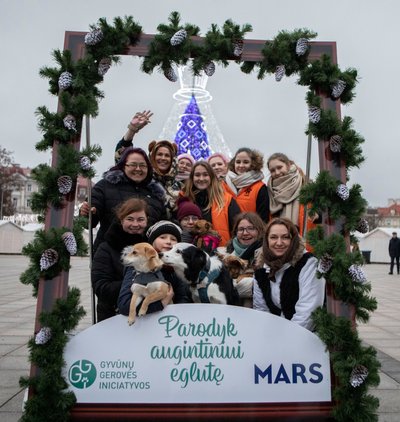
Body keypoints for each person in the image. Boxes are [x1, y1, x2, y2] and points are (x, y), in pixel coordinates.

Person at [80, 146, 166, 252]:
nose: (138, 169)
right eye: (133, 165)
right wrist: (87, 212)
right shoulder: (106, 185)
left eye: (142, 165)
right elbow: (88, 220)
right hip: (109, 254)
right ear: (123, 166)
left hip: (144, 257)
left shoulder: (155, 193)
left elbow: (162, 226)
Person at [253, 217, 325, 331]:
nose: (279, 242)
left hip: (307, 334)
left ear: (293, 240)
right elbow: (261, 309)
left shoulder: (308, 263)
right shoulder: (260, 267)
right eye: (273, 237)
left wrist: (288, 339)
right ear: (266, 240)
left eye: (286, 237)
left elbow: (308, 311)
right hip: (276, 332)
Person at [117, 221, 192, 316]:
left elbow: (183, 299)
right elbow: (124, 305)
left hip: (169, 323)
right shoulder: (136, 268)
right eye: (162, 237)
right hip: (142, 325)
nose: (168, 242)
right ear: (152, 242)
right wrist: (161, 304)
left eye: (173, 239)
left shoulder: (176, 269)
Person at [91, 198, 148, 322]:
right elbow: (101, 287)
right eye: (130, 219)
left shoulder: (151, 246)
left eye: (140, 219)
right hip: (114, 316)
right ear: (121, 220)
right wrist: (138, 286)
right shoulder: (106, 248)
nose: (135, 224)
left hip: (148, 315)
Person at [180, 161, 240, 246]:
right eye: (197, 175)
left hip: (220, 252)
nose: (201, 178)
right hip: (189, 252)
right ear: (192, 178)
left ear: (211, 177)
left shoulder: (226, 200)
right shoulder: (183, 199)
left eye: (205, 174)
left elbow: (237, 229)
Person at [219, 212, 265, 307]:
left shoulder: (267, 253)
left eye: (251, 228)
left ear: (260, 230)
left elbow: (264, 285)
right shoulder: (225, 253)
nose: (245, 233)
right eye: (241, 229)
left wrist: (232, 285)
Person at [267, 152, 317, 237]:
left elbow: (322, 211)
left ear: (288, 165)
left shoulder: (306, 183)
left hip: (306, 238)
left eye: (279, 167)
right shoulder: (269, 190)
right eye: (272, 170)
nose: (277, 172)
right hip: (280, 240)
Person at [224, 147, 270, 222]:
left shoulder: (260, 188)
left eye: (245, 162)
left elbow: (263, 219)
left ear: (253, 164)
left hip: (249, 232)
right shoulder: (223, 184)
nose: (241, 165)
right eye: (238, 162)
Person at [148, 139, 179, 215]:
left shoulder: (180, 186)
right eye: (159, 154)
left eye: (167, 155)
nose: (163, 158)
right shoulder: (144, 181)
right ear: (153, 157)